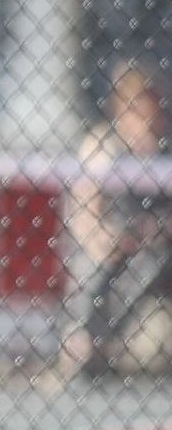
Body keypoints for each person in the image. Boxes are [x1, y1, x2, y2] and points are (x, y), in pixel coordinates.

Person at [66, 65, 172, 376]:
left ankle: (104, 341)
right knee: (99, 263)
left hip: (159, 244)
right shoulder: (105, 143)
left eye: (152, 103)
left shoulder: (165, 145)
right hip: (112, 237)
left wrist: (156, 229)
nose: (148, 113)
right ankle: (86, 342)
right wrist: (103, 236)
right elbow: (84, 207)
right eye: (138, 104)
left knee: (150, 262)